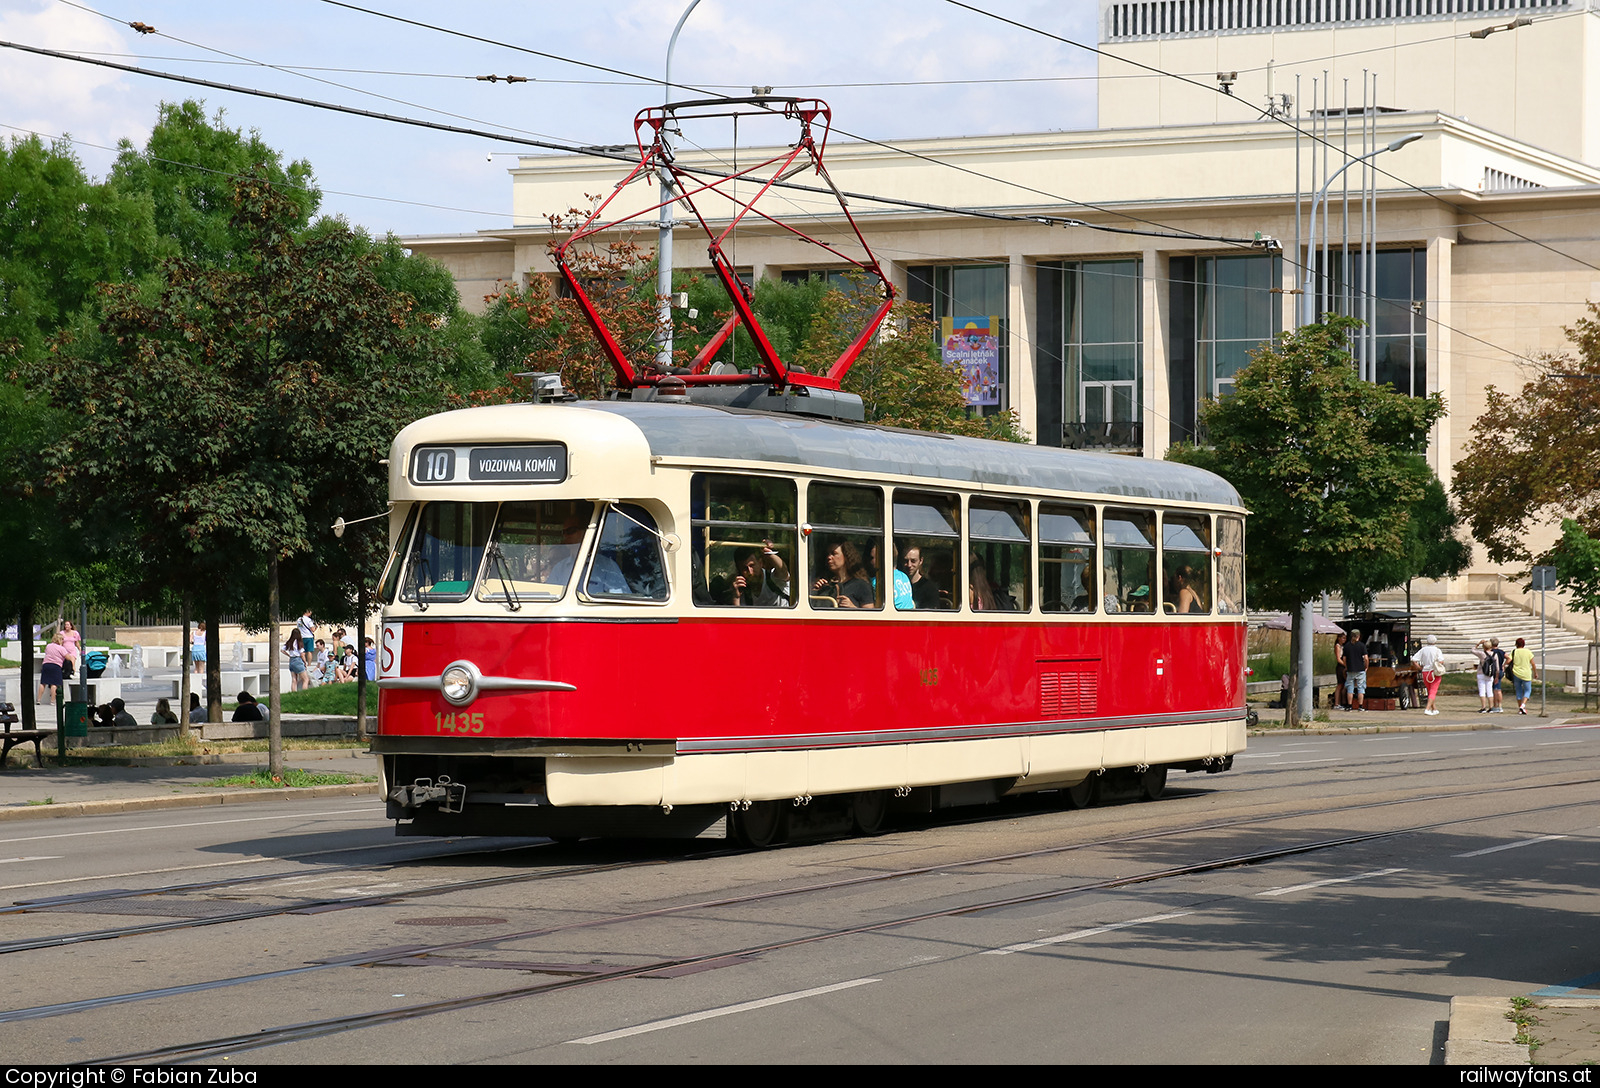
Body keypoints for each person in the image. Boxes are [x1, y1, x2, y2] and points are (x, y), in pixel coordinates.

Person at [813, 542, 874, 608]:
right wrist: (816, 591)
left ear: (846, 556)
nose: (829, 557)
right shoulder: (825, 583)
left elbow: (870, 614)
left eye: (834, 553)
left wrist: (853, 607)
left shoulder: (861, 585)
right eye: (827, 554)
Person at [903, 546, 941, 610]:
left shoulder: (930, 588)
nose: (909, 565)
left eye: (913, 561)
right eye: (906, 561)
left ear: (921, 561)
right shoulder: (899, 584)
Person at [1415, 633, 1444, 715]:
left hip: (1425, 671)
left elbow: (1414, 659)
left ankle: (1434, 709)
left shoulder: (1423, 650)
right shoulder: (1437, 650)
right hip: (1434, 672)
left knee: (1430, 690)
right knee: (1433, 691)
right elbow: (1441, 661)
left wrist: (1419, 667)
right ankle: (1427, 709)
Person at [37, 633, 68, 706]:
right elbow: (67, 657)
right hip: (56, 666)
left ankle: (38, 699)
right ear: (59, 640)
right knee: (54, 683)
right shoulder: (61, 648)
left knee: (43, 682)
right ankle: (52, 701)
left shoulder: (48, 646)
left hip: (46, 665)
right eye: (62, 639)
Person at [1509, 636, 1538, 714]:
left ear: (1516, 644)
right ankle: (1523, 705)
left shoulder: (1514, 651)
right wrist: (1535, 672)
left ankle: (1520, 709)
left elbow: (1509, 660)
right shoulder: (1528, 652)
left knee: (1518, 690)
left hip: (1516, 673)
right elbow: (1533, 663)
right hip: (1526, 674)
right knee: (1528, 690)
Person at [1344, 628, 1370, 712]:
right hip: (1360, 670)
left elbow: (1344, 658)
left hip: (1350, 669)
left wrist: (1346, 666)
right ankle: (1360, 706)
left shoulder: (1347, 646)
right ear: (1359, 636)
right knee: (1361, 688)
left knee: (1350, 688)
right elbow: (1366, 658)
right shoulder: (1362, 645)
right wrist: (1366, 667)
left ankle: (1349, 706)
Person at [1487, 637, 1508, 713]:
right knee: (1498, 688)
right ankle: (1499, 705)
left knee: (1495, 689)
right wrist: (1504, 665)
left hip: (1494, 671)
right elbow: (1508, 658)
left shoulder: (1491, 652)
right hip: (1501, 670)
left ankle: (1496, 706)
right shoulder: (1501, 652)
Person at [1334, 633, 1349, 710]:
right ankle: (1336, 703)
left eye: (1345, 638)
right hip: (1340, 667)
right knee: (1340, 685)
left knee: (1343, 685)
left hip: (1343, 666)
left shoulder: (1343, 646)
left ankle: (1341, 702)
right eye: (1343, 638)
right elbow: (1338, 658)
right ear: (1339, 638)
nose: (1344, 640)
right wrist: (1345, 665)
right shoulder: (1337, 646)